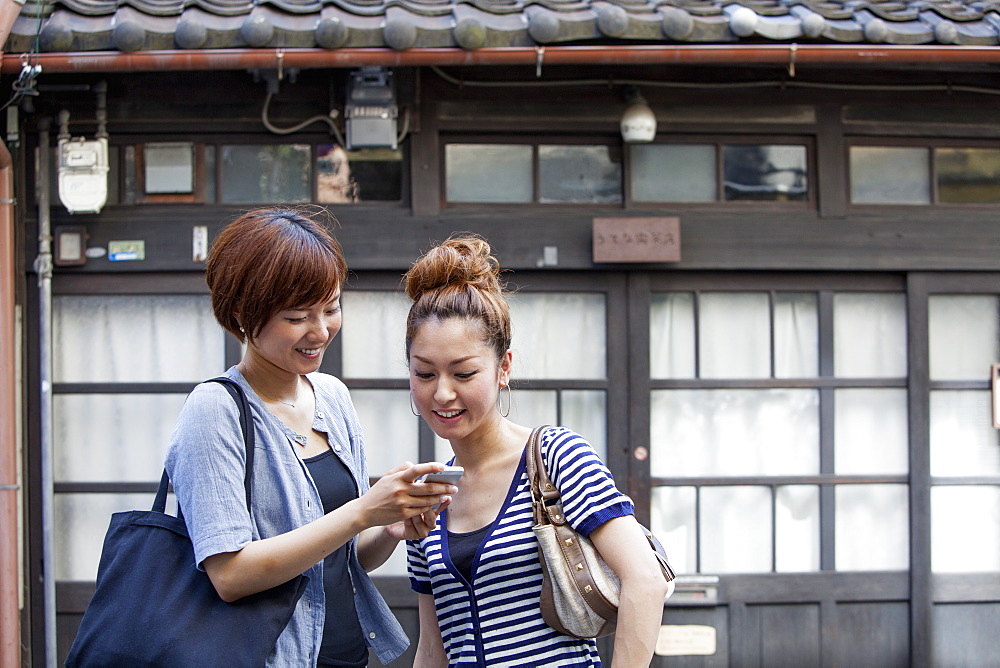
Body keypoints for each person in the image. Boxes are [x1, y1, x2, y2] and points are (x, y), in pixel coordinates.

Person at [165, 207, 458, 666]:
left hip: (348, 653)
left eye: (331, 307)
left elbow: (344, 558)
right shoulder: (215, 410)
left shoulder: (332, 397)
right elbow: (230, 574)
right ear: (243, 313)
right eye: (298, 316)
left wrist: (388, 529)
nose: (320, 331)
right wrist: (362, 510)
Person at [403, 234, 669, 667]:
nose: (443, 393)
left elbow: (645, 579)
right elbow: (434, 648)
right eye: (425, 373)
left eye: (464, 373)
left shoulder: (555, 456)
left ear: (503, 367)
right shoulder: (430, 493)